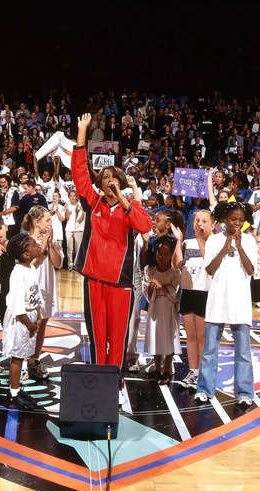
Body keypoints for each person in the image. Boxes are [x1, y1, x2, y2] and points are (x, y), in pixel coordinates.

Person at [73, 113, 152, 396]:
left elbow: (145, 227)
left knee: (118, 338)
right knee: (97, 337)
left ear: (119, 181)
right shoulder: (92, 203)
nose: (108, 180)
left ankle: (114, 384)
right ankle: (98, 381)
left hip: (121, 283)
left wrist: (124, 198)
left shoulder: (130, 207)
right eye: (104, 177)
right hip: (95, 280)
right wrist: (82, 133)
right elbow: (80, 173)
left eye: (112, 177)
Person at [195, 201, 258, 407]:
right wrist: (225, 248)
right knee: (210, 350)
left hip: (240, 302)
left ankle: (245, 392)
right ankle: (204, 389)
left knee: (243, 352)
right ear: (224, 219)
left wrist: (239, 247)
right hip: (217, 302)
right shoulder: (213, 241)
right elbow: (210, 270)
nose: (237, 223)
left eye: (241, 220)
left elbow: (250, 270)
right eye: (233, 219)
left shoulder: (249, 241)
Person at [1, 232, 42, 410]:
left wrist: (38, 316)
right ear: (25, 254)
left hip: (30, 317)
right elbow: (17, 306)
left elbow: (36, 294)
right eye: (34, 244)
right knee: (17, 358)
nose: (38, 244)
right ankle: (14, 393)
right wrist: (30, 324)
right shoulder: (18, 273)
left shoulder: (31, 268)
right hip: (21, 320)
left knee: (23, 355)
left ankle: (17, 389)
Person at [21, 206, 63, 380]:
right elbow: (33, 262)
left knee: (42, 325)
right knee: (28, 326)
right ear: (37, 222)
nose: (50, 223)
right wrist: (45, 241)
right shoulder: (24, 240)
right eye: (47, 220)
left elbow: (58, 262)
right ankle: (22, 362)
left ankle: (34, 360)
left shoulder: (50, 240)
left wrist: (51, 244)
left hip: (46, 285)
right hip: (30, 287)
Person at [175, 210, 215, 390]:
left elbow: (210, 265)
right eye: (197, 220)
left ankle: (204, 373)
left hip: (206, 293)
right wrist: (178, 241)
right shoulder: (186, 242)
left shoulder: (215, 243)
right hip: (189, 292)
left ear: (212, 225)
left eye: (204, 221)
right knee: (191, 336)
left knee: (203, 336)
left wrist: (202, 239)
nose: (200, 224)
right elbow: (177, 263)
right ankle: (193, 370)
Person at [143, 236, 181, 384]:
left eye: (165, 254)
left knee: (169, 338)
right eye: (160, 253)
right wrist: (151, 288)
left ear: (171, 255)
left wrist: (162, 287)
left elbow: (174, 293)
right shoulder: (150, 271)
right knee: (156, 337)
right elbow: (148, 294)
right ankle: (158, 368)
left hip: (169, 309)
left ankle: (167, 369)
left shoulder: (174, 273)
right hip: (155, 308)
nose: (161, 257)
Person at [64, 190, 84, 270]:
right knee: (69, 247)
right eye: (71, 195)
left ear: (76, 197)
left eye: (74, 195)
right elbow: (67, 218)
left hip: (78, 229)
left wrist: (81, 211)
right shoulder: (67, 205)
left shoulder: (80, 205)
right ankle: (70, 264)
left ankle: (77, 263)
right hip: (69, 228)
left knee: (78, 247)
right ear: (68, 197)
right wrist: (67, 209)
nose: (72, 197)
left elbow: (80, 220)